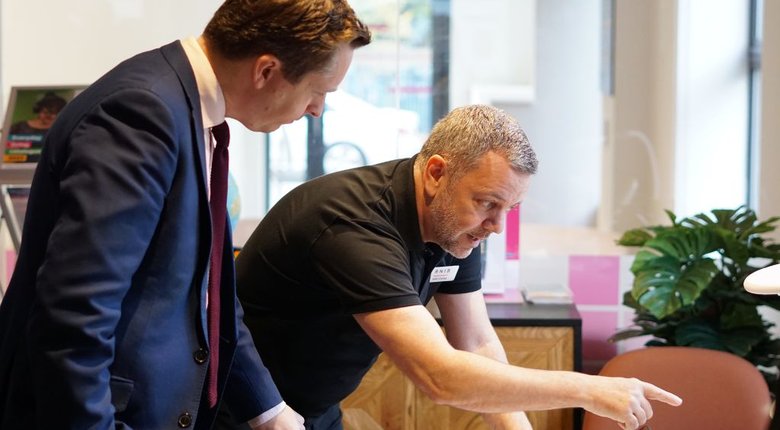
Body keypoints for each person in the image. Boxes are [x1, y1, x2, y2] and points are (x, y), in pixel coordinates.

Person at [0, 1, 370, 429]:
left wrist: (269, 411)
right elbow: (75, 315)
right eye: (318, 91)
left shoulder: (190, 110)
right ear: (266, 70)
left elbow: (209, 292)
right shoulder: (142, 113)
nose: (317, 110)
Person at [231, 105, 683, 430]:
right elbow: (440, 376)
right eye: (488, 203)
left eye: (510, 207)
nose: (498, 225)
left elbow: (478, 344)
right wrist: (588, 390)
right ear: (436, 173)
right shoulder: (354, 224)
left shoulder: (457, 224)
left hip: (314, 407)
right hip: (242, 409)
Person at [6, 92, 68, 163]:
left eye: (56, 113)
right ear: (39, 110)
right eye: (47, 113)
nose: (52, 116)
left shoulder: (63, 129)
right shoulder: (19, 127)